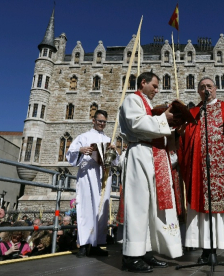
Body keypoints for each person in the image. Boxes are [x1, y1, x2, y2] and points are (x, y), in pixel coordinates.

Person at [178, 77, 224, 265]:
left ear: (216, 89)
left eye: (209, 86)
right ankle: (206, 250)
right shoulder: (194, 112)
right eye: (202, 87)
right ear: (198, 91)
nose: (206, 90)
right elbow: (184, 141)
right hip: (201, 171)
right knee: (204, 214)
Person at [119, 72, 183, 273]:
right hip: (140, 152)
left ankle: (145, 251)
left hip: (154, 154)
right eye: (154, 86)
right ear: (143, 82)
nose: (157, 89)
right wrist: (163, 118)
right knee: (138, 205)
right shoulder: (132, 99)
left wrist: (172, 123)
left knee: (150, 207)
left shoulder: (147, 104)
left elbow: (154, 126)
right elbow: (136, 124)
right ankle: (131, 256)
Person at [66, 109, 119, 258]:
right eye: (100, 121)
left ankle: (96, 244)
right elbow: (70, 154)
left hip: (103, 177)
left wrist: (113, 150)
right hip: (87, 176)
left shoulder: (109, 139)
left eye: (104, 122)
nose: (102, 124)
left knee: (100, 210)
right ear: (93, 121)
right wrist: (81, 150)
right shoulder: (83, 137)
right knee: (86, 209)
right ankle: (84, 244)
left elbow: (116, 161)